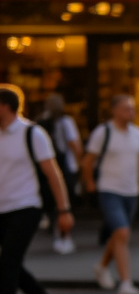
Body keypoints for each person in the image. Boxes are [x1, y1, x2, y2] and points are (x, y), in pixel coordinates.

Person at [0, 83, 72, 294]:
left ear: (5, 107)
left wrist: (64, 210)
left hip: (26, 207)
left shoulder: (32, 133)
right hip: (1, 209)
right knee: (10, 264)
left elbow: (53, 174)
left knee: (7, 264)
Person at [81, 95, 139, 294]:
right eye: (126, 109)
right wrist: (89, 182)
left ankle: (102, 266)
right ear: (114, 110)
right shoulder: (103, 132)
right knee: (122, 232)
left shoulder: (137, 133)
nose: (130, 113)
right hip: (109, 189)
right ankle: (126, 283)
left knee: (119, 235)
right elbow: (88, 161)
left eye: (132, 109)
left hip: (132, 192)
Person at [37, 93, 82, 254]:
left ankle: (56, 229)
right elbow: (74, 144)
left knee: (53, 202)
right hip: (65, 167)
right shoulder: (66, 122)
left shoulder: (40, 121)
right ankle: (64, 236)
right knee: (64, 202)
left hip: (46, 168)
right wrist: (80, 163)